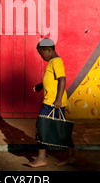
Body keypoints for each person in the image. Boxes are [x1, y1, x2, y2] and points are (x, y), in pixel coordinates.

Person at [28, 38, 75, 168]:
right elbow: (53, 80)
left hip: (52, 103)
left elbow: (62, 80)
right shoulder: (53, 62)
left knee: (41, 127)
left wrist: (58, 99)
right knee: (61, 129)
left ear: (49, 50)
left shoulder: (56, 62)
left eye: (41, 53)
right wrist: (41, 85)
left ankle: (42, 158)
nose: (41, 56)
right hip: (53, 102)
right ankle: (70, 157)